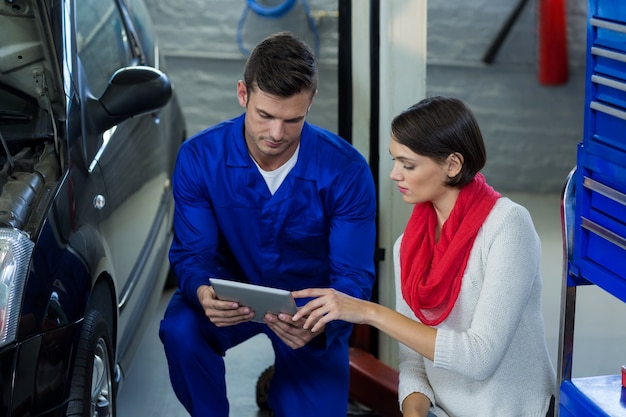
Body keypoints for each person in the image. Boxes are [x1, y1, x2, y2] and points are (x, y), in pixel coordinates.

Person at [293, 96, 557, 417]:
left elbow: (479, 357)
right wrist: (414, 411)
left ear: (453, 165)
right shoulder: (409, 245)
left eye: (408, 164)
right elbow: (414, 361)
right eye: (394, 161)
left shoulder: (508, 225)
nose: (394, 174)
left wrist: (371, 313)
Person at [158, 31, 377, 417]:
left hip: (308, 311)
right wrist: (203, 292)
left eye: (293, 119)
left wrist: (321, 325)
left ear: (310, 103)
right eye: (265, 115)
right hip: (231, 293)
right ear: (243, 94)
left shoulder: (346, 171)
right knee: (181, 330)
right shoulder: (200, 159)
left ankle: (284, 386)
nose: (277, 134)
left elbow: (353, 276)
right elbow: (193, 255)